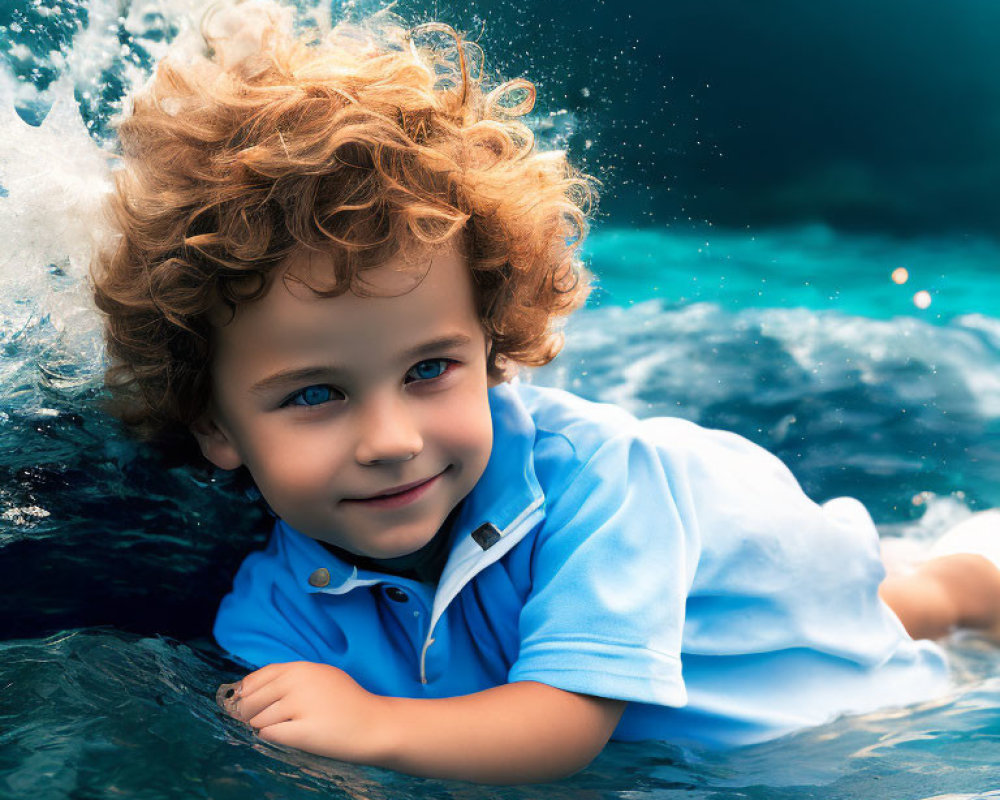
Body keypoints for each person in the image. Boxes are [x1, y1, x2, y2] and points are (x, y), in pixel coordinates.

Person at [91, 0, 1000, 784]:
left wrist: (372, 726)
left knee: (866, 612)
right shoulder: (273, 613)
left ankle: (961, 587)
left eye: (428, 370)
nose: (391, 438)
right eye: (314, 394)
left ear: (492, 345)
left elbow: (561, 726)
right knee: (845, 605)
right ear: (215, 423)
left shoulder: (598, 484)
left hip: (811, 674)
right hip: (696, 632)